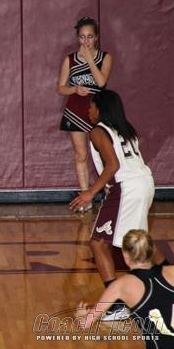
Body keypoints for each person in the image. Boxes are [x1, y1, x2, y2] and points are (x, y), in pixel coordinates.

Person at [69, 89, 167, 320]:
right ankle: (169, 277)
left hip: (126, 187)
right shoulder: (125, 129)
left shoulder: (98, 131)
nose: (89, 110)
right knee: (138, 241)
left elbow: (113, 165)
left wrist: (90, 192)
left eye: (91, 106)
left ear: (100, 109)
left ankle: (116, 306)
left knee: (98, 243)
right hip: (145, 182)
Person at [76, 229, 173, 349]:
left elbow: (85, 324)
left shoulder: (120, 286)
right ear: (152, 250)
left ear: (125, 255)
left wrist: (80, 316)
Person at [57, 17, 113, 212]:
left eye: (89, 37)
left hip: (98, 110)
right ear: (77, 38)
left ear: (96, 37)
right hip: (76, 110)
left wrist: (89, 59)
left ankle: (110, 192)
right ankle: (85, 196)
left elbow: (101, 82)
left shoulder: (105, 57)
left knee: (104, 154)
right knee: (81, 155)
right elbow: (60, 88)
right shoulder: (70, 59)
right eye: (82, 37)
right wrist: (74, 89)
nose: (86, 41)